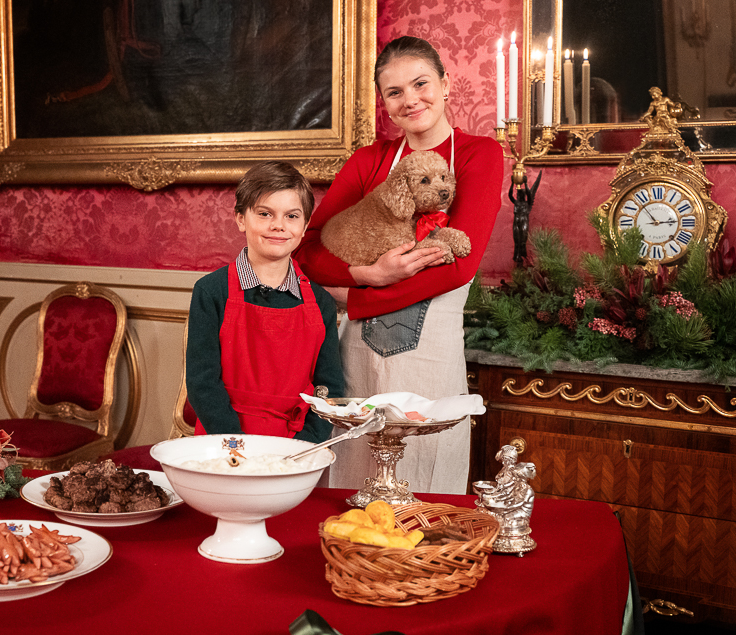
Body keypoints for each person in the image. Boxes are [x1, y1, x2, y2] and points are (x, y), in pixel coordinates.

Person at [293, 36, 504, 493]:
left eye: (421, 83)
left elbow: (457, 267)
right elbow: (308, 251)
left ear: (446, 85)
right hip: (356, 362)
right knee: (354, 482)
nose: (411, 100)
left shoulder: (478, 155)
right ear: (384, 104)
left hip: (430, 359)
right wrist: (368, 275)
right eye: (394, 92)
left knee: (427, 489)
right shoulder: (370, 162)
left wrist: (358, 299)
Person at [185, 161, 345, 444]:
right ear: (240, 219)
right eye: (264, 213)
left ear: (305, 225)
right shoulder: (211, 292)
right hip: (223, 442)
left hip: (295, 446)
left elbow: (328, 388)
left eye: (292, 216)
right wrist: (237, 444)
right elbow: (202, 383)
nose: (279, 226)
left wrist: (303, 446)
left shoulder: (321, 303)